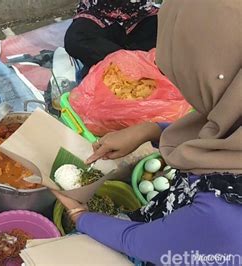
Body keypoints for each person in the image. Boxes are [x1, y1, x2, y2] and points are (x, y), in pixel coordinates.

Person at [54, 0, 242, 264]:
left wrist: (81, 216)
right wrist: (150, 130)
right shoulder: (234, 112)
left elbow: (142, 242)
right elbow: (215, 136)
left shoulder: (224, 216)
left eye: (180, 76)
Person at [64, 0, 158, 69]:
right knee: (75, 38)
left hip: (141, 15)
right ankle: (129, 65)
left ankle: (135, 65)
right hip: (99, 14)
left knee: (167, 31)